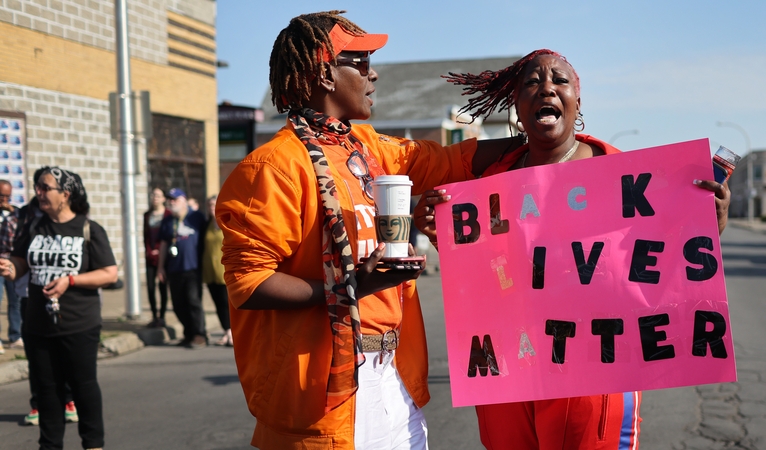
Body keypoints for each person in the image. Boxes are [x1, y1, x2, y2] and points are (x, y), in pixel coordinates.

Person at [215, 11, 518, 449]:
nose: (372, 73)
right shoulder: (273, 166)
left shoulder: (369, 147)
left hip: (393, 378)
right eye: (358, 61)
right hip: (322, 397)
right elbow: (248, 283)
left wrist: (549, 140)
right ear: (323, 73)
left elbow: (456, 161)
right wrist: (354, 286)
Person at [414, 49, 731, 450]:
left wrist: (708, 222)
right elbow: (491, 268)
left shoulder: (624, 176)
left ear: (576, 102)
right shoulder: (490, 183)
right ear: (517, 104)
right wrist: (442, 233)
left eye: (559, 81)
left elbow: (665, 261)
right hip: (511, 371)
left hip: (594, 370)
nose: (546, 87)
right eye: (532, 82)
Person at [0, 166, 117, 450]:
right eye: (37, 186)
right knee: (46, 391)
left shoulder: (89, 229)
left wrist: (71, 280)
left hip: (79, 323)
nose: (38, 192)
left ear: (65, 194)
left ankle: (93, 445)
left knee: (83, 387)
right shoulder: (33, 227)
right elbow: (20, 262)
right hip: (38, 323)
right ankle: (49, 446)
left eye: (45, 187)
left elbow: (109, 273)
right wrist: (9, 268)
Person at [157, 188, 207, 349]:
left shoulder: (196, 217)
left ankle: (199, 334)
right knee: (178, 304)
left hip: (192, 267)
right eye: (170, 199)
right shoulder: (167, 221)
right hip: (174, 268)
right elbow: (164, 245)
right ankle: (188, 333)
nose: (172, 202)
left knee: (193, 302)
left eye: (175, 199)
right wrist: (160, 268)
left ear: (184, 200)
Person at [201, 195, 231, 346]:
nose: (211, 208)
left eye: (214, 204)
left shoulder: (227, 222)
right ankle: (226, 331)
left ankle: (232, 333)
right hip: (210, 271)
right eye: (209, 205)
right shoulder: (206, 224)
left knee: (227, 303)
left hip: (224, 271)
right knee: (218, 303)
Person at [143, 188, 170, 327]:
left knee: (162, 287)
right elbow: (146, 237)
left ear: (163, 198)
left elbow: (168, 237)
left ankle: (163, 316)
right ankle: (154, 316)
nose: (155, 198)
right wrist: (149, 251)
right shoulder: (147, 215)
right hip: (150, 256)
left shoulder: (168, 214)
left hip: (163, 257)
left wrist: (160, 251)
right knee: (150, 287)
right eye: (153, 195)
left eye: (158, 196)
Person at [0, 179, 21, 353]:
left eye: (7, 196)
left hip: (11, 262)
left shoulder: (16, 213)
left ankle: (15, 336)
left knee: (16, 301)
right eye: (1, 196)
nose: (4, 200)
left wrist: (13, 211)